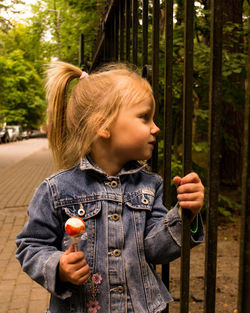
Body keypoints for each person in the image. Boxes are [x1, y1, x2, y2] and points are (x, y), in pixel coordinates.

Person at [16, 61, 204, 313]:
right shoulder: (56, 190)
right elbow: (30, 245)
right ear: (103, 126)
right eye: (144, 117)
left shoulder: (150, 185)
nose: (156, 127)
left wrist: (185, 214)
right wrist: (58, 266)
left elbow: (155, 249)